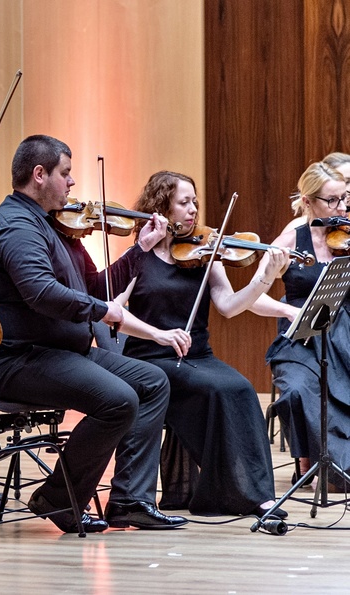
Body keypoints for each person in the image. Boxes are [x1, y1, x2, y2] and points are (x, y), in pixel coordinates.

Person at [0, 134, 188, 533]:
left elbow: (95, 287)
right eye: (66, 173)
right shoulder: (18, 225)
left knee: (152, 381)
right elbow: (41, 292)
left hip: (62, 352)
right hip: (21, 359)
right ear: (39, 175)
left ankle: (129, 500)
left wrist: (139, 251)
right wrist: (102, 311)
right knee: (119, 399)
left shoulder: (54, 224)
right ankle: (59, 498)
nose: (72, 183)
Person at [116, 170, 290, 517]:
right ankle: (237, 492)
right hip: (151, 357)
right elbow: (114, 311)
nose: (194, 209)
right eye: (184, 202)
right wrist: (157, 333)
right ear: (161, 207)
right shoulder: (139, 256)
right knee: (217, 390)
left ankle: (251, 493)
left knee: (240, 387)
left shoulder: (204, 252)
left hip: (198, 354)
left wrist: (264, 277)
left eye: (195, 201)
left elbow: (228, 306)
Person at [257, 161, 350, 489]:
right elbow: (253, 298)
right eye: (332, 201)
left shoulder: (346, 233)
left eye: (345, 199)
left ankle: (336, 466)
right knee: (297, 389)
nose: (341, 208)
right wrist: (289, 310)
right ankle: (308, 464)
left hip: (345, 336)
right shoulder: (290, 240)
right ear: (308, 202)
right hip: (302, 339)